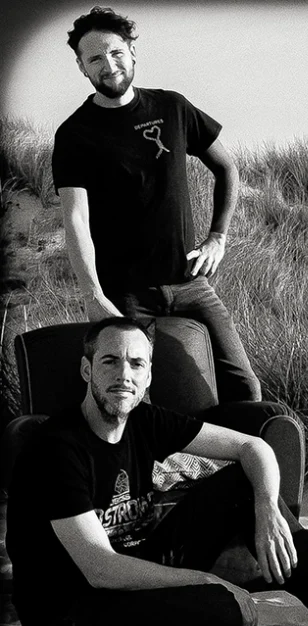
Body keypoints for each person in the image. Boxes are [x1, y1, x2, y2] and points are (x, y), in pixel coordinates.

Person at [6, 318, 308, 626]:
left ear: (148, 376)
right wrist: (209, 581)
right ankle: (220, 619)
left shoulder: (144, 420)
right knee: (220, 614)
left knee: (241, 482)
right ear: (85, 369)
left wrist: (267, 510)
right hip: (70, 610)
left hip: (135, 563)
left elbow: (254, 448)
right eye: (109, 361)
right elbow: (98, 567)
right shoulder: (56, 449)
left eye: (136, 363)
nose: (123, 375)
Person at [53, 6, 260, 403]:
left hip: (191, 283)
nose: (108, 65)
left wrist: (218, 236)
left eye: (115, 53)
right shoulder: (75, 134)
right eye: (94, 58)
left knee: (244, 388)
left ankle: (242, 460)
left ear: (132, 52)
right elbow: (76, 220)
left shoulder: (172, 108)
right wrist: (93, 295)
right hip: (127, 295)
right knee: (133, 400)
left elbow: (227, 168)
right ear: (82, 68)